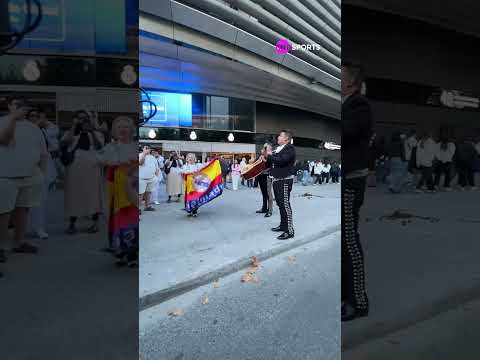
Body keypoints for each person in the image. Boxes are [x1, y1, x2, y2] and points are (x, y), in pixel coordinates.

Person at [0, 97, 48, 270]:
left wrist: (41, 174)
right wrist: (13, 118)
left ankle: (18, 242)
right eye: (17, 105)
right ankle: (1, 247)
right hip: (5, 175)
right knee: (3, 213)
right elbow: (4, 140)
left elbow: (43, 153)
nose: (21, 108)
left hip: (30, 175)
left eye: (23, 106)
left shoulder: (34, 128)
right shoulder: (3, 121)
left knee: (23, 208)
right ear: (10, 106)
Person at [341, 62, 372, 321]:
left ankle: (359, 301)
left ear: (349, 82)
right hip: (345, 178)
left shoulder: (359, 105)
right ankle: (344, 296)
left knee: (350, 242)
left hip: (352, 181)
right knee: (343, 243)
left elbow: (348, 131)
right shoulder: (345, 105)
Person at [98, 116, 138, 267]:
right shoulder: (111, 147)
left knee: (132, 220)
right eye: (119, 127)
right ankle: (120, 252)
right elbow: (99, 160)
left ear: (131, 129)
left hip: (132, 185)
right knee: (118, 220)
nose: (122, 129)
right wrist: (113, 162)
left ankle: (132, 254)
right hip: (115, 187)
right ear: (115, 130)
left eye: (125, 126)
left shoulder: (136, 146)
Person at [61, 110, 104, 234]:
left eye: (85, 118)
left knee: (93, 194)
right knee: (73, 194)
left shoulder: (95, 133)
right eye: (80, 118)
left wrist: (91, 131)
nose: (83, 121)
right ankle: (72, 223)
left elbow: (100, 146)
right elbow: (64, 143)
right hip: (74, 166)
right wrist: (74, 126)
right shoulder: (71, 132)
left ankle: (95, 223)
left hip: (91, 166)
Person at [265, 130, 296, 240]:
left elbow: (282, 160)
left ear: (286, 139)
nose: (278, 137)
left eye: (280, 136)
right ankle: (283, 225)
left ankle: (289, 230)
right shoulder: (277, 149)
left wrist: (270, 155)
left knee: (285, 204)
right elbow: (272, 162)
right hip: (277, 180)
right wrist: (266, 156)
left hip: (285, 180)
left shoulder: (289, 148)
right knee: (280, 204)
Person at [181, 153, 207, 217]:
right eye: (189, 157)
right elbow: (183, 173)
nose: (190, 158)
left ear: (195, 159)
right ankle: (189, 210)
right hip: (188, 185)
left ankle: (195, 210)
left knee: (195, 198)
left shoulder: (198, 165)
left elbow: (206, 166)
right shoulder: (185, 166)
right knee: (188, 197)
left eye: (192, 157)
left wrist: (213, 161)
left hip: (196, 184)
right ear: (187, 159)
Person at [138, 145, 159, 212]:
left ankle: (147, 206)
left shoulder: (153, 157)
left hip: (151, 178)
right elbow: (140, 163)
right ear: (143, 149)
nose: (147, 149)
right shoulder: (139, 155)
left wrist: (156, 177)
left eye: (148, 148)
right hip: (141, 178)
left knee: (148, 192)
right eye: (146, 148)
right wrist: (144, 154)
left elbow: (157, 168)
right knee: (140, 194)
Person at [256, 143, 274, 217]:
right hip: (261, 176)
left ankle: (270, 210)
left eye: (265, 148)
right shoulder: (261, 156)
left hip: (267, 176)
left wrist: (264, 160)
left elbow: (271, 166)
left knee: (269, 194)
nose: (262, 149)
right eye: (263, 147)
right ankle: (264, 208)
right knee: (263, 193)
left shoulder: (271, 156)